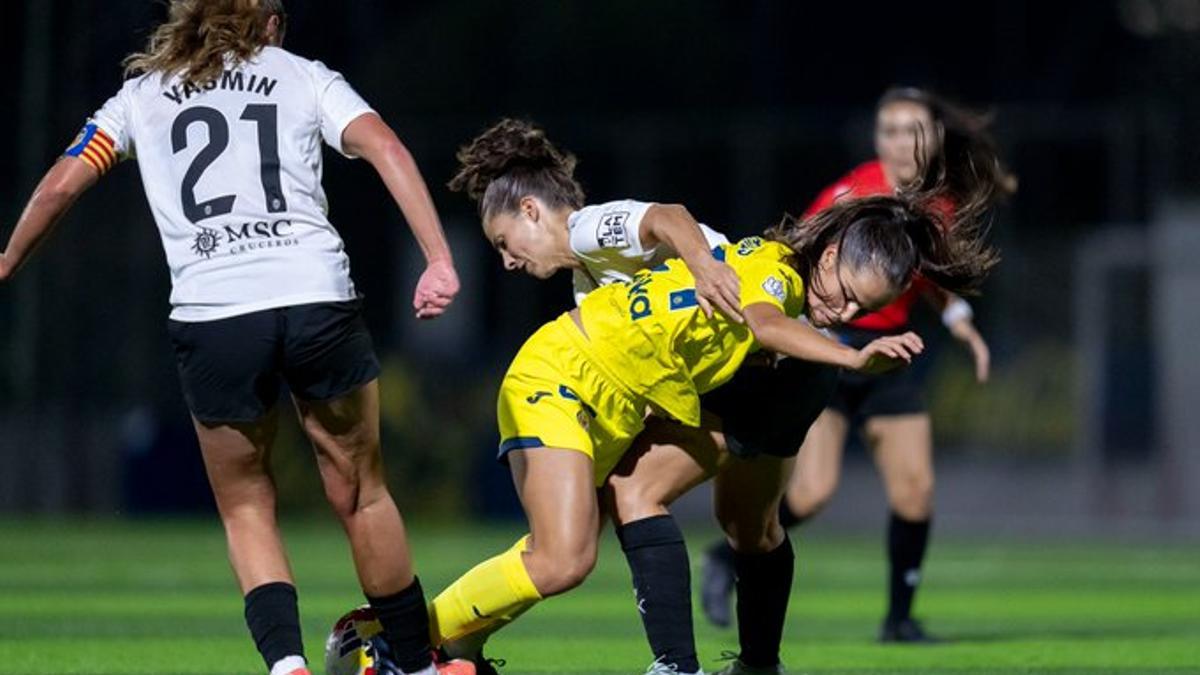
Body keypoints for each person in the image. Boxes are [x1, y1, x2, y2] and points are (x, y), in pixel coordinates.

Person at [421, 119, 996, 674]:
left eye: (504, 242)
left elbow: (679, 230)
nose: (508, 259)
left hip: (760, 369)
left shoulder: (585, 229)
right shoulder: (591, 274)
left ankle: (429, 638)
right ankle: (728, 663)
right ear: (828, 258)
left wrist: (706, 268)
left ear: (530, 210)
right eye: (847, 300)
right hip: (737, 371)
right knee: (704, 524)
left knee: (632, 514)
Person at [0, 2, 461, 674]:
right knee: (362, 492)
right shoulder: (305, 77)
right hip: (315, 296)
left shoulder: (138, 98)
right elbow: (384, 146)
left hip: (215, 310)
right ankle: (418, 665)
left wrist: (8, 260)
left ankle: (288, 667)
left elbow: (60, 186)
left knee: (247, 503)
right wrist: (438, 257)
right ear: (270, 24)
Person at [700, 86, 1017, 645]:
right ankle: (732, 553)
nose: (898, 141)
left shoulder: (936, 205)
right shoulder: (852, 192)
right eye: (888, 129)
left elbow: (928, 279)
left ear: (934, 138)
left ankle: (900, 619)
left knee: (915, 490)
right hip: (828, 348)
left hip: (891, 353)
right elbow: (802, 257)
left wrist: (961, 322)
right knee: (815, 491)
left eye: (911, 130)